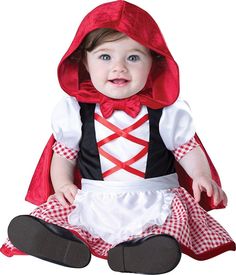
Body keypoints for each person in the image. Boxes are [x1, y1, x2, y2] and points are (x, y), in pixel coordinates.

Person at [1, 0, 235, 274]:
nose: (119, 67)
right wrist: (62, 184)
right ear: (84, 63)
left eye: (133, 57)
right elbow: (63, 154)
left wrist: (201, 175)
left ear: (153, 62)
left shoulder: (168, 112)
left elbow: (186, 148)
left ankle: (143, 251)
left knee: (165, 226)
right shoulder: (74, 111)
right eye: (105, 56)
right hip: (95, 198)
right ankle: (61, 241)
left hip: (155, 197)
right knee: (71, 215)